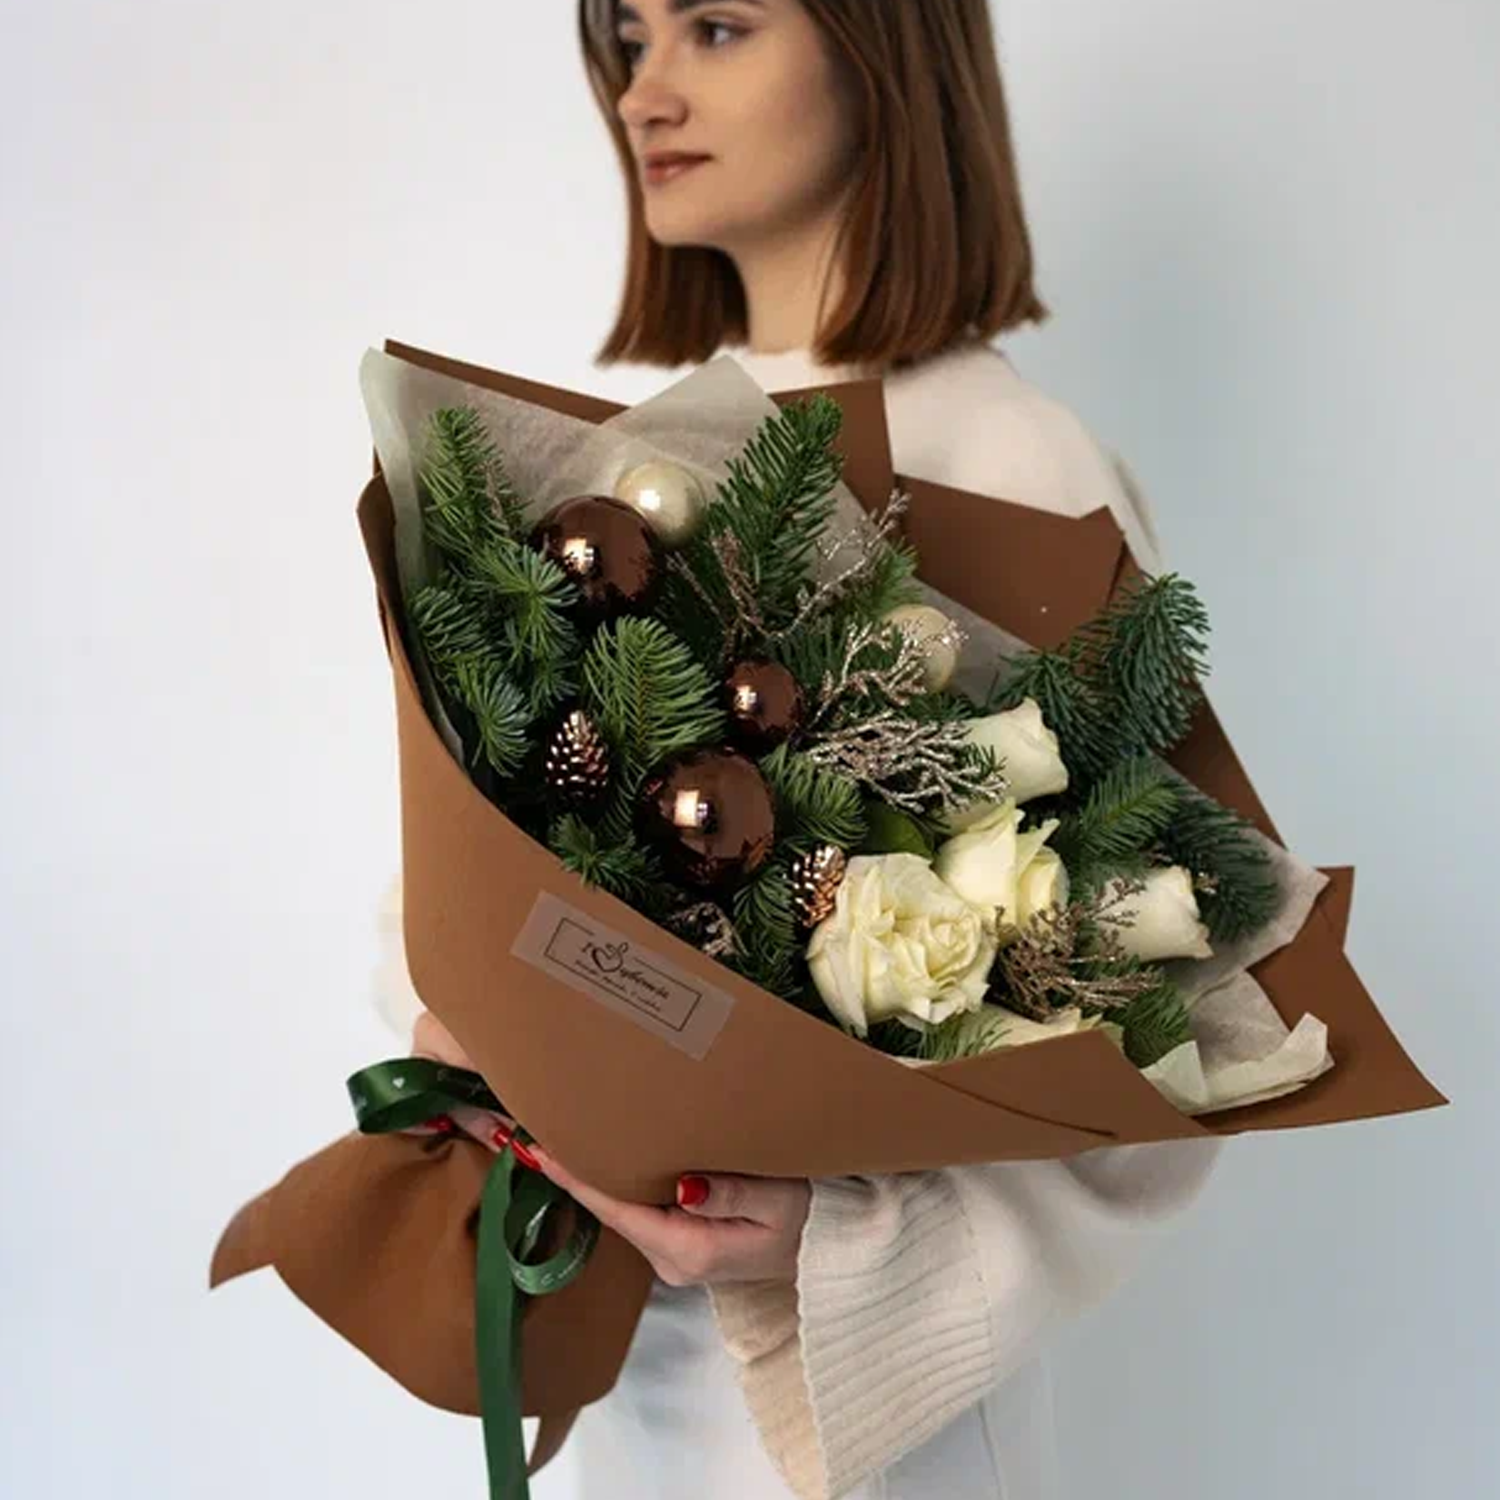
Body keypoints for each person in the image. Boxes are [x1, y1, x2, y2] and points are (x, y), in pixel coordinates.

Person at [378, 1, 1223, 1495]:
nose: (644, 94)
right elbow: (468, 852)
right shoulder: (631, 467)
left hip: (875, 1428)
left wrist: (847, 1235)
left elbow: (1189, 1026)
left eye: (714, 27)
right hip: (630, 1376)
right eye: (627, 38)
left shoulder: (1018, 464)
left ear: (882, 46)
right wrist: (461, 1023)